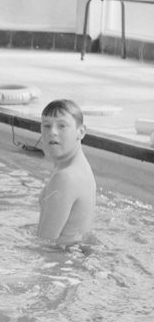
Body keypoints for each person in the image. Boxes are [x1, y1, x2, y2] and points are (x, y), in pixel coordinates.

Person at [37, 99, 96, 245]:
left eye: (62, 126)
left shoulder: (65, 177)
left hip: (60, 261)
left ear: (81, 132)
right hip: (72, 255)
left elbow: (45, 243)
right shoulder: (78, 166)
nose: (53, 132)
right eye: (47, 126)